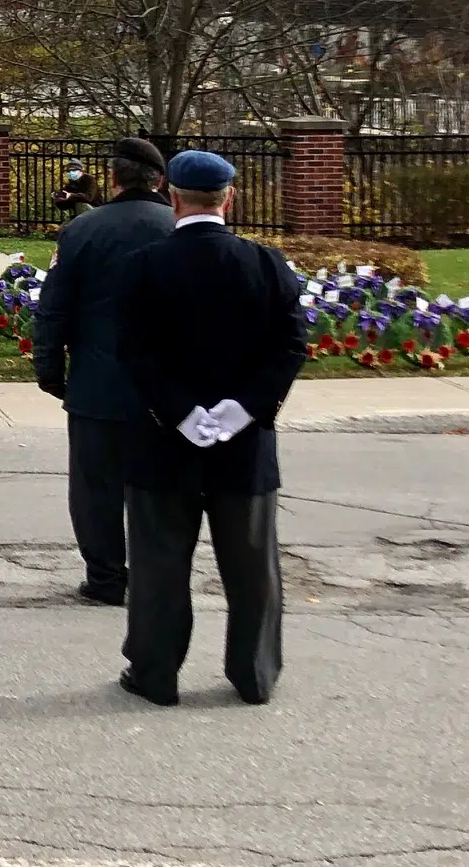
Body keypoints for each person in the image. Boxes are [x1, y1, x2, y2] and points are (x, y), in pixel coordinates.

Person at [115, 149, 307, 708]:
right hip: (243, 445)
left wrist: (180, 412)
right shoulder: (266, 263)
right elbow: (291, 346)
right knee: (251, 567)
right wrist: (241, 409)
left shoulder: (144, 265)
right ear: (231, 197)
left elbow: (133, 353)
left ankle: (155, 673)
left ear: (172, 198)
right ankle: (254, 674)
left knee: (157, 566)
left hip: (162, 441)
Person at [31, 137, 174, 606]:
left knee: (96, 487)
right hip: (168, 388)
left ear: (112, 179)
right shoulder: (178, 228)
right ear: (160, 181)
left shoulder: (83, 230)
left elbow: (54, 308)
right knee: (159, 486)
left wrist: (50, 369)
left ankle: (106, 576)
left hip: (98, 382)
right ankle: (156, 577)